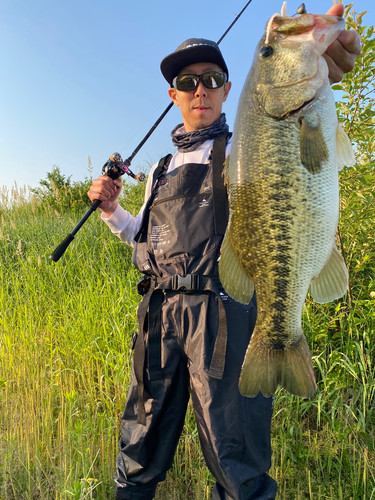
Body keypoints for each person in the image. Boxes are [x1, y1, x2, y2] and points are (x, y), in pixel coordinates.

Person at [88, 4, 360, 499]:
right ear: (174, 95)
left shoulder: (241, 150)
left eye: (212, 79)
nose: (201, 90)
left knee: (236, 460)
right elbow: (145, 239)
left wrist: (324, 67)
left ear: (229, 90)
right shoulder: (159, 169)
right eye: (188, 83)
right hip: (160, 319)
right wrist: (112, 213)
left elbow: (289, 156)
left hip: (221, 316)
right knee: (138, 449)